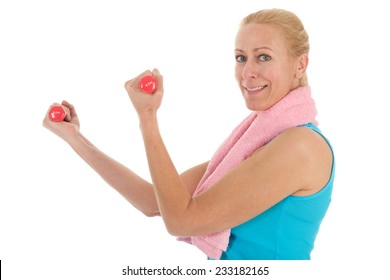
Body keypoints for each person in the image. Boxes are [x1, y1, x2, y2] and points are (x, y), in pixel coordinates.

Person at [43, 8, 335, 260]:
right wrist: (75, 138)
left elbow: (182, 220)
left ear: (301, 64)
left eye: (263, 57)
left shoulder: (300, 146)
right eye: (240, 57)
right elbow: (152, 201)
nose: (247, 72)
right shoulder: (262, 141)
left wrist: (148, 118)